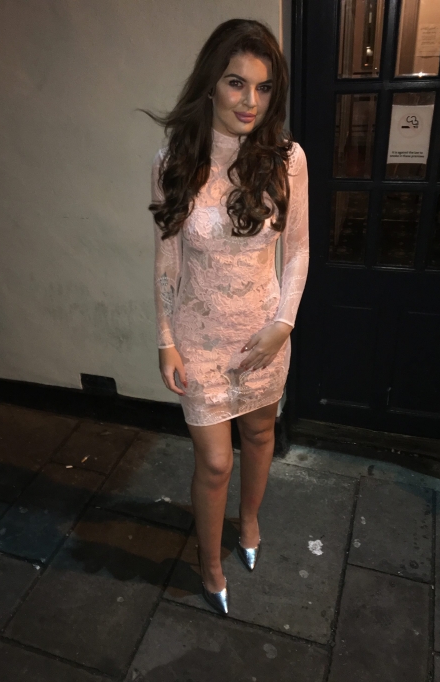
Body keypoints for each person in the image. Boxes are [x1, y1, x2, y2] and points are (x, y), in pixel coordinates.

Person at [146, 18, 309, 615]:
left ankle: (250, 521)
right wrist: (165, 339)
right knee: (215, 461)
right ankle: (210, 561)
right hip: (200, 339)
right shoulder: (175, 160)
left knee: (261, 434)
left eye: (264, 88)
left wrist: (282, 325)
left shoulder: (287, 159)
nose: (250, 101)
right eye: (237, 83)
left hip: (264, 334)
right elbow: (166, 259)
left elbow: (298, 250)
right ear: (211, 83)